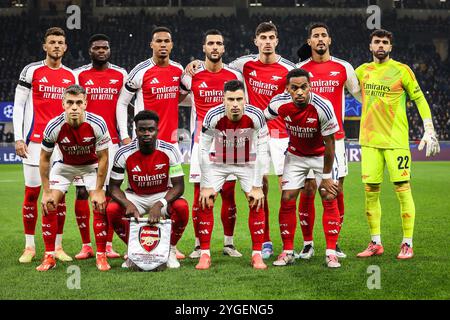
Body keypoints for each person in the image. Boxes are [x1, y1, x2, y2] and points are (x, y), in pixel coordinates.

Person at [187, 22, 295, 259]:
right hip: (216, 136)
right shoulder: (241, 65)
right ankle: (206, 245)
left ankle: (291, 246)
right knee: (214, 192)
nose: (267, 41)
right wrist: (191, 65)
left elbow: (299, 90)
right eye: (262, 37)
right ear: (256, 41)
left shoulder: (286, 68)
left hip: (276, 134)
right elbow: (185, 93)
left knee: (288, 192)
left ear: (276, 40)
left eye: (271, 37)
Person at [355, 29, 440, 259]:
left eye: (385, 42)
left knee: (403, 191)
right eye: (377, 42)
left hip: (396, 142)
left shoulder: (402, 71)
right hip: (370, 142)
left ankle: (407, 243)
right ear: (370, 46)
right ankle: (375, 242)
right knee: (370, 192)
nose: (381, 45)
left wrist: (429, 128)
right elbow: (343, 85)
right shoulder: (362, 71)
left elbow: (420, 98)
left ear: (390, 47)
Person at [116, 26, 187, 259]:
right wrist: (125, 136)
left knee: (172, 198)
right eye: (159, 41)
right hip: (143, 142)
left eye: (167, 41)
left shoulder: (178, 70)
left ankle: (171, 247)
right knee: (139, 188)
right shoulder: (141, 71)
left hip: (170, 144)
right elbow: (121, 102)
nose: (163, 45)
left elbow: (184, 98)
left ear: (172, 45)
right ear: (152, 45)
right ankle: (135, 246)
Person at [295, 23, 361, 260]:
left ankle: (335, 242)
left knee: (335, 191)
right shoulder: (300, 69)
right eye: (315, 36)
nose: (320, 39)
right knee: (308, 190)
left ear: (329, 40)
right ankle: (308, 243)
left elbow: (360, 95)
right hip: (307, 142)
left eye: (324, 35)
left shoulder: (343, 67)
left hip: (337, 140)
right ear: (310, 42)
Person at [265, 68, 343, 268]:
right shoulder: (278, 103)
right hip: (295, 156)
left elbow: (330, 144)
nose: (300, 92)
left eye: (303, 87)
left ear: (310, 87)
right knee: (287, 197)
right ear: (287, 89)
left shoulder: (322, 107)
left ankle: (331, 252)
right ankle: (288, 251)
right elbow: (263, 118)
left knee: (328, 195)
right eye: (295, 88)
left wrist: (326, 176)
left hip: (320, 156)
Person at [13, 27, 75, 264]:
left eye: (60, 42)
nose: (57, 46)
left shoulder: (72, 76)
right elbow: (19, 106)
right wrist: (19, 138)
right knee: (32, 194)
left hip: (61, 146)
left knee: (59, 197)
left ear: (65, 47)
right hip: (35, 143)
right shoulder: (31, 71)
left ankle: (57, 246)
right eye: (52, 42)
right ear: (45, 46)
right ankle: (29, 246)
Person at [181, 29, 244, 259]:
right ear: (204, 48)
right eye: (211, 43)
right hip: (201, 142)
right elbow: (176, 97)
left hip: (230, 142)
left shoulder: (234, 76)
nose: (215, 47)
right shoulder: (191, 76)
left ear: (224, 48)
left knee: (229, 193)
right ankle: (199, 245)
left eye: (219, 43)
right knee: (200, 194)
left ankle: (228, 243)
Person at [195, 80, 269, 270]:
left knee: (256, 200)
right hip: (219, 163)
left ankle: (257, 255)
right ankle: (204, 254)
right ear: (223, 100)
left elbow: (262, 151)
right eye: (230, 99)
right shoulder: (213, 115)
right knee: (206, 199)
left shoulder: (256, 115)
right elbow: (202, 149)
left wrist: (257, 186)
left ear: (245, 99)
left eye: (239, 99)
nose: (235, 104)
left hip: (246, 163)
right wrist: (206, 184)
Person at [38, 84, 110, 271]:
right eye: (70, 102)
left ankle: (101, 256)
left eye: (79, 102)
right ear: (63, 104)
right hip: (64, 166)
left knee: (99, 205)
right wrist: (46, 192)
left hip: (90, 166)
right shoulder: (54, 126)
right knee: (49, 204)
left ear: (86, 104)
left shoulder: (98, 123)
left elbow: (103, 158)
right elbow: (44, 159)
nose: (74, 107)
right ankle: (49, 256)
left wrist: (99, 190)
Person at [107, 110, 189, 269]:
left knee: (182, 207)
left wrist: (160, 204)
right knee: (112, 209)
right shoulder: (123, 153)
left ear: (157, 130)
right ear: (135, 130)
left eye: (151, 129)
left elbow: (179, 186)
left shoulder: (170, 150)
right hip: (135, 196)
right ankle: (133, 250)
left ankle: (169, 249)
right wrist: (127, 204)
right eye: (142, 130)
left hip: (162, 194)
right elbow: (113, 187)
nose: (146, 133)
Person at [72, 34, 127, 260]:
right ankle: (86, 245)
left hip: (111, 143)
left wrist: (124, 136)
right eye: (97, 48)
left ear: (110, 50)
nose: (101, 50)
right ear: (90, 50)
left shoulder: (121, 74)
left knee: (109, 194)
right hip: (84, 143)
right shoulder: (79, 74)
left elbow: (125, 105)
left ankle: (108, 244)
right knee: (82, 192)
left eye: (105, 47)